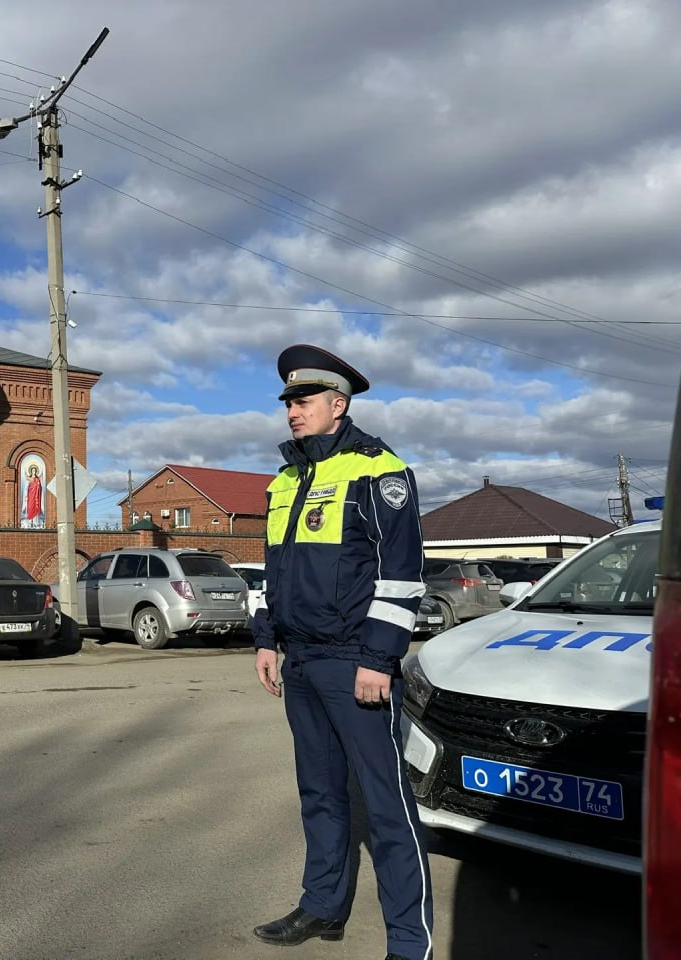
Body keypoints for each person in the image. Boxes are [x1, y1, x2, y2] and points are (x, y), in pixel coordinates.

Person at [251, 344, 432, 960]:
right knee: (320, 793)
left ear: (338, 403)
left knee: (385, 807)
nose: (291, 412)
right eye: (288, 403)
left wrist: (378, 658)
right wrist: (266, 640)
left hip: (356, 660)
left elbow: (402, 573)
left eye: (301, 402)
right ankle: (322, 905)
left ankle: (410, 942)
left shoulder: (380, 470)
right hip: (300, 661)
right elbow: (274, 572)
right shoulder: (286, 479)